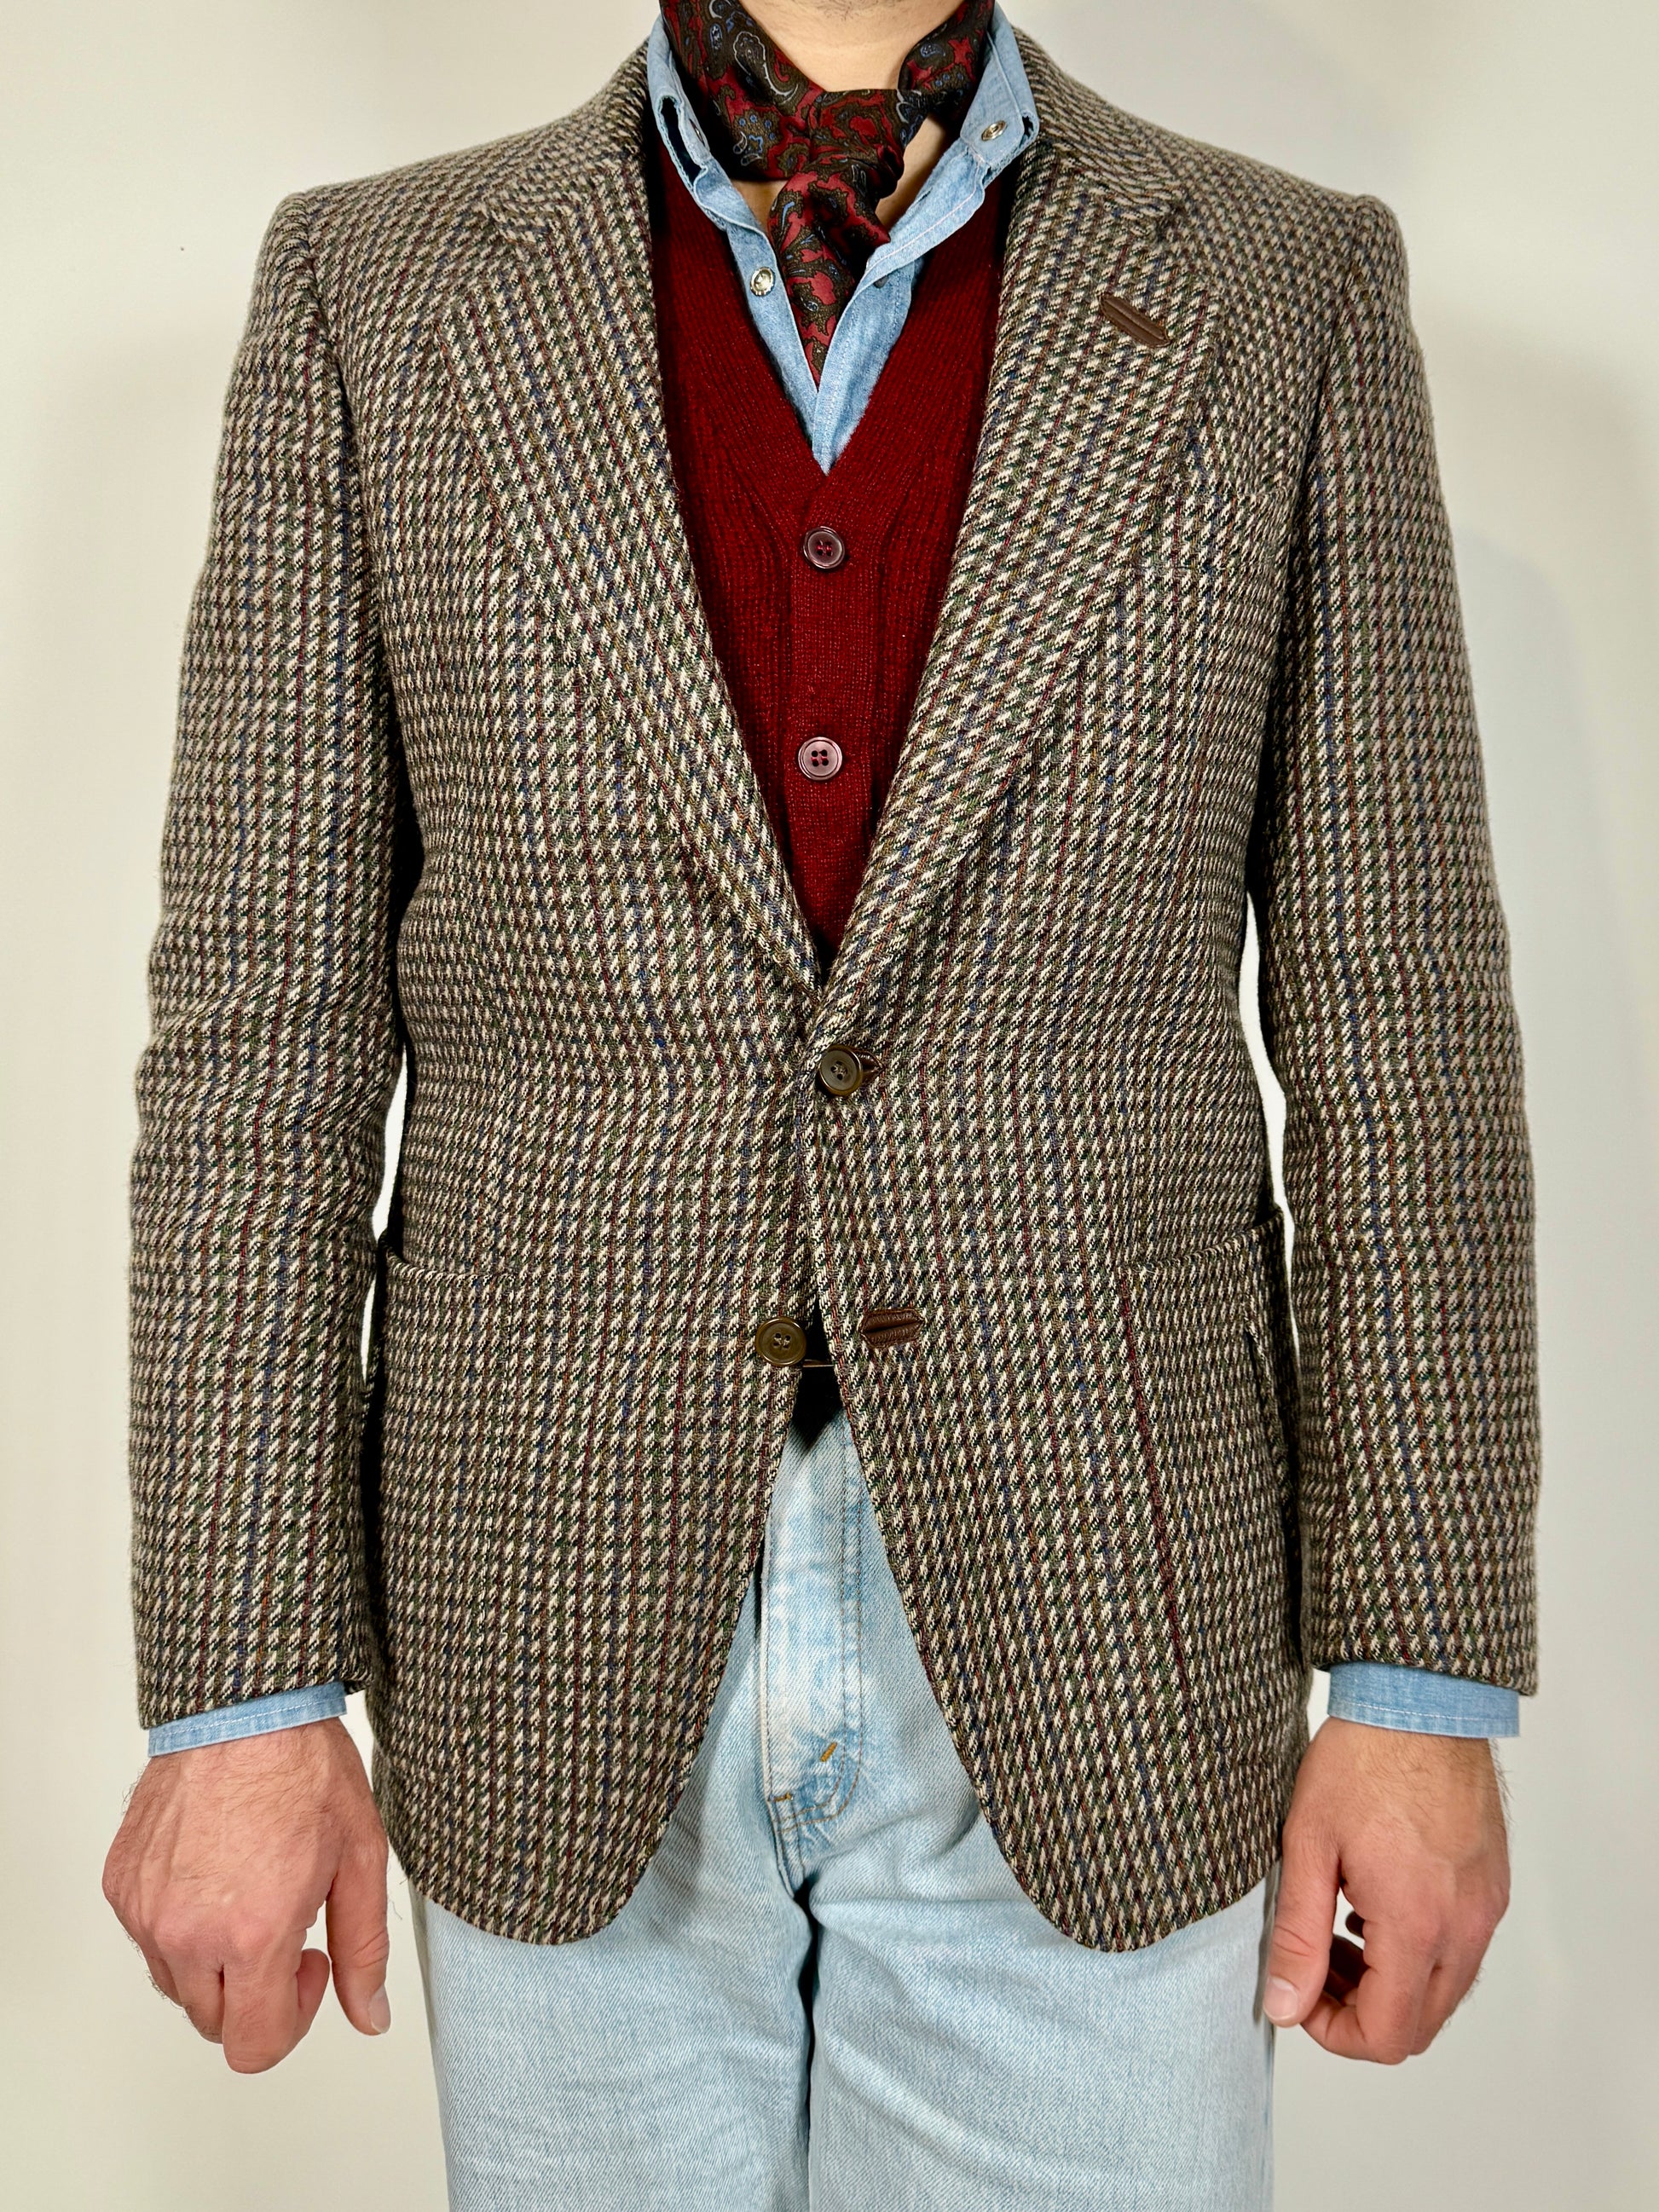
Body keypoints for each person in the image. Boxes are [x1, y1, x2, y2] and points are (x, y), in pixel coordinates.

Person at [104, 3, 1540, 2204]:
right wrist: (243, 1691)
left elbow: (1398, 1028)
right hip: (539, 1612)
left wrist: (1420, 1683)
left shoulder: (1285, 282)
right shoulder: (375, 286)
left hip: (1114, 1616)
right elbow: (260, 1041)